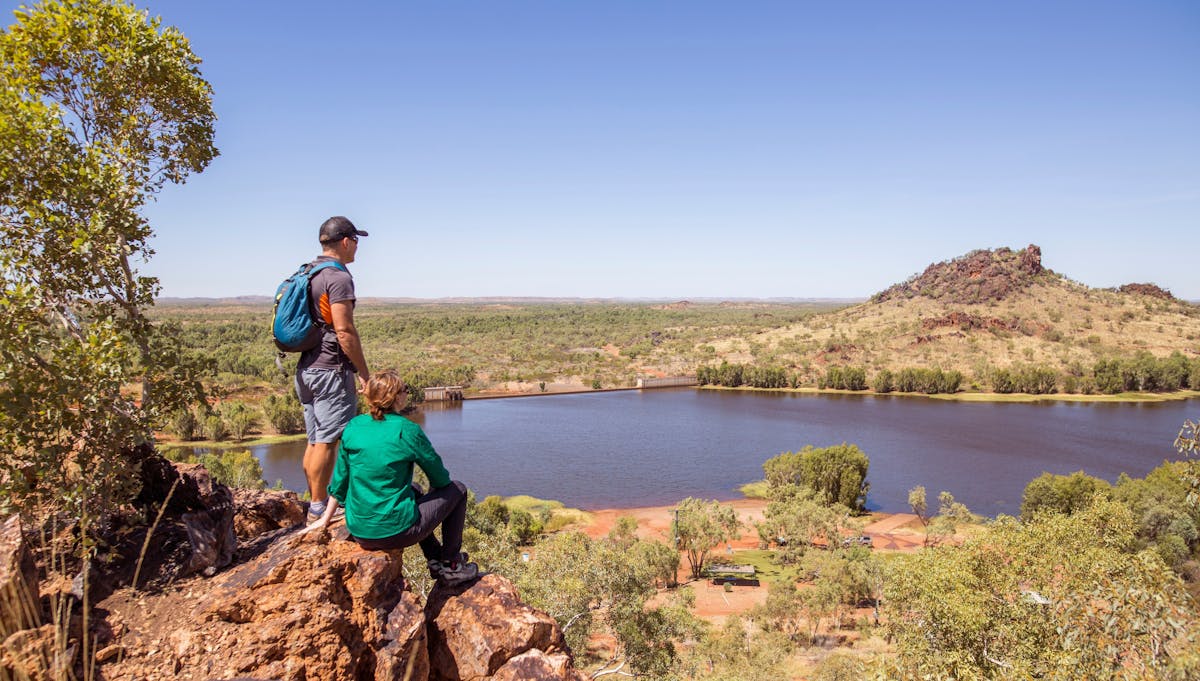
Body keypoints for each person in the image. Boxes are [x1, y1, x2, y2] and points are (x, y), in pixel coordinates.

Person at [306, 370, 479, 586]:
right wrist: (437, 493)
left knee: (414, 489)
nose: (408, 394)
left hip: (359, 530)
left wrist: (324, 519)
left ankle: (435, 558)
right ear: (397, 397)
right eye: (405, 390)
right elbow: (441, 478)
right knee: (458, 490)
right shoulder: (407, 430)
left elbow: (340, 482)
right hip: (396, 531)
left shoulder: (353, 427)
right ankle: (452, 566)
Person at [297, 216, 370, 524]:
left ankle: (316, 500)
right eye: (356, 241)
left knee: (316, 440)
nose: (357, 247)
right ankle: (319, 506)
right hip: (330, 370)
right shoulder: (338, 278)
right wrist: (363, 372)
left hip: (307, 368)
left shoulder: (308, 272)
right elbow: (344, 331)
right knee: (329, 441)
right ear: (345, 241)